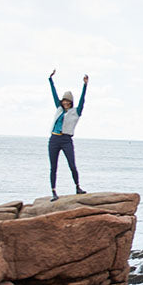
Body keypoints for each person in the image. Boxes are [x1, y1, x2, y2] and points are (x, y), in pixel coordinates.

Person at [48, 69, 88, 201]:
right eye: (64, 101)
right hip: (54, 139)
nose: (65, 103)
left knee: (72, 164)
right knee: (54, 166)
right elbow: (54, 94)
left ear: (71, 102)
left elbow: (83, 100)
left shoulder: (76, 112)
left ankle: (78, 187)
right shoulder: (58, 108)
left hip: (66, 139)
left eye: (68, 101)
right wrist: (50, 80)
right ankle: (53, 191)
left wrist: (85, 85)